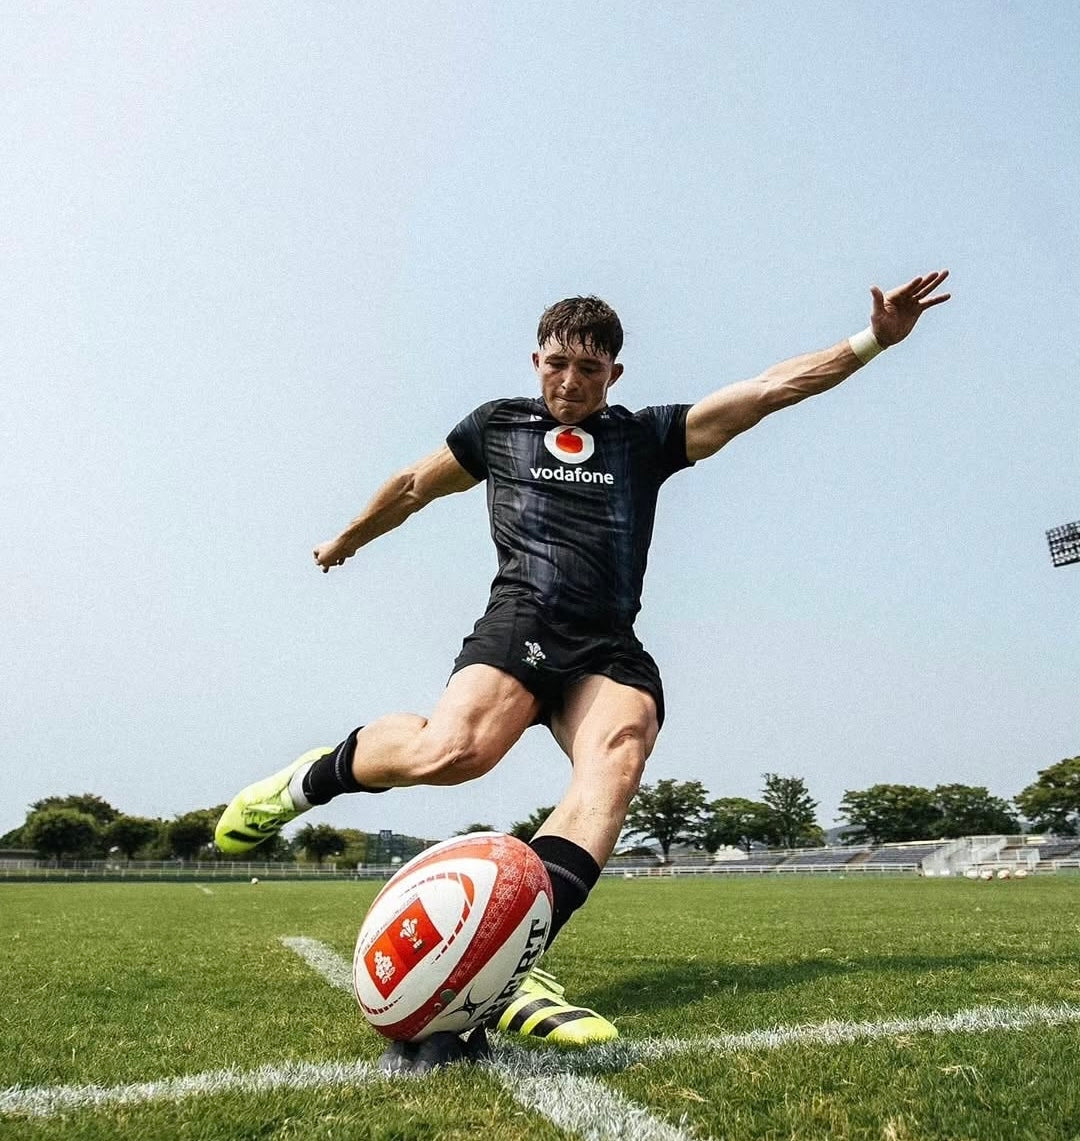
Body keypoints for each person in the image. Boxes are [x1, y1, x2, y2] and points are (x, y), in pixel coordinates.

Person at [216, 270, 950, 1068]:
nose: (570, 381)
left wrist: (873, 340)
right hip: (522, 622)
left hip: (606, 644)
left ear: (614, 374)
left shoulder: (646, 438)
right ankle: (308, 780)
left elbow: (770, 390)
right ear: (537, 360)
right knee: (454, 752)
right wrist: (348, 538)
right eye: (557, 364)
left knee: (620, 754)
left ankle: (511, 967)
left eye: (589, 369)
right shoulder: (499, 427)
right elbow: (414, 485)